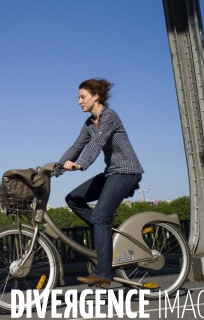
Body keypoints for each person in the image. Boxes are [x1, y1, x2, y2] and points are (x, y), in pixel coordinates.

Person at [54, 78, 143, 288]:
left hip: (127, 172)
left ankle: (103, 272)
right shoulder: (88, 124)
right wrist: (55, 168)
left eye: (82, 97)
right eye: (78, 97)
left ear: (96, 97)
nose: (79, 102)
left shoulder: (109, 116)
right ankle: (103, 234)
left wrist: (79, 165)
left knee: (101, 217)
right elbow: (76, 146)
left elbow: (96, 145)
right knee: (73, 199)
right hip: (112, 172)